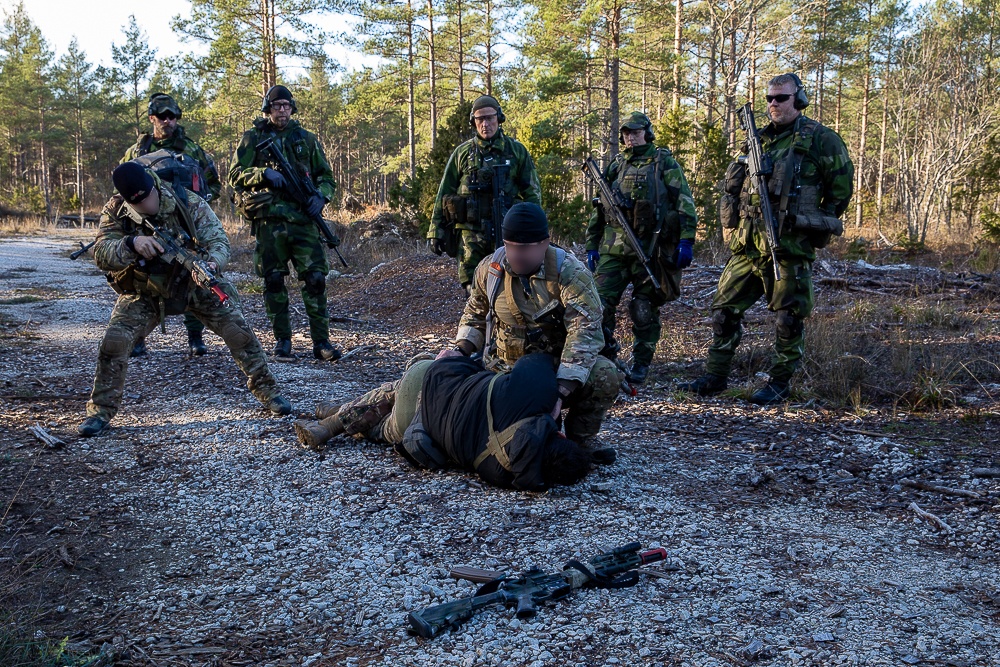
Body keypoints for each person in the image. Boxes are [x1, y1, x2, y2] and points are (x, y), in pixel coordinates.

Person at [77, 162, 291, 437]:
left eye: (149, 196)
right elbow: (102, 254)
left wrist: (212, 264)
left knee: (238, 332)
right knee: (114, 342)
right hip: (146, 291)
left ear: (154, 186)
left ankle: (269, 392)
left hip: (194, 283)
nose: (147, 204)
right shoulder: (116, 210)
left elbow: (219, 243)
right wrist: (131, 244)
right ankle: (100, 412)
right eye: (138, 202)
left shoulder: (186, 201)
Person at [679, 73, 854, 404]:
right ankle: (715, 376)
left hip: (788, 244)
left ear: (798, 100)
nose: (774, 104)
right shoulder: (757, 140)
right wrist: (732, 228)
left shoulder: (821, 139)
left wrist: (812, 224)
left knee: (788, 317)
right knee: (723, 312)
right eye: (770, 99)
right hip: (748, 245)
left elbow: (840, 190)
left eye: (781, 98)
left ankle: (779, 382)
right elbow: (732, 189)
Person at [452, 202, 622, 462]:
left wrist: (560, 392)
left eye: (524, 249)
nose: (515, 255)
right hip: (502, 372)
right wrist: (458, 351)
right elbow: (474, 315)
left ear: (544, 243)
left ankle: (581, 438)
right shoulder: (490, 270)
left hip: (553, 372)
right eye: (510, 246)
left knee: (605, 374)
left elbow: (584, 335)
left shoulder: (570, 275)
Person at [294, 352, 593, 491]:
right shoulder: (501, 475)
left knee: (402, 385)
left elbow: (536, 360)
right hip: (418, 430)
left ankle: (333, 419)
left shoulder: (535, 394)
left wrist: (555, 400)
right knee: (382, 428)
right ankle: (337, 416)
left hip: (427, 382)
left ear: (562, 437)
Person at [229, 85, 341, 361]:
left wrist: (321, 198)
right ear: (268, 108)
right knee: (274, 280)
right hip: (270, 222)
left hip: (303, 222)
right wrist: (262, 174)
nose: (282, 110)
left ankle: (321, 342)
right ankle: (282, 341)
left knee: (315, 279)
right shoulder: (253, 138)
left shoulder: (306, 139)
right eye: (277, 105)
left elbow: (326, 177)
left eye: (286, 105)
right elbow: (234, 175)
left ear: (292, 108)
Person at [585, 111, 698, 385]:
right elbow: (600, 208)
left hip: (650, 249)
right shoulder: (616, 165)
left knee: (643, 307)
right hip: (614, 250)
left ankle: (642, 363)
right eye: (626, 133)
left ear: (647, 132)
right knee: (599, 304)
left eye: (635, 132)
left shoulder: (663, 162)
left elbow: (683, 200)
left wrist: (686, 239)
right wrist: (592, 244)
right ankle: (604, 357)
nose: (630, 138)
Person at [123, 93, 222, 358]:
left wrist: (199, 205)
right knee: (142, 278)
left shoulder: (191, 149)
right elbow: (123, 187)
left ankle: (195, 338)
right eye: (163, 116)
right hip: (147, 224)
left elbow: (213, 183)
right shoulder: (137, 152)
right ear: (152, 118)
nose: (168, 121)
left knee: (193, 274)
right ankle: (137, 337)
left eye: (173, 116)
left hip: (186, 223)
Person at [428, 95, 542, 293]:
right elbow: (444, 192)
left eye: (490, 118)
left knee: (511, 287)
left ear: (499, 118)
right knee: (473, 291)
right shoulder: (462, 153)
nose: (485, 124)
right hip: (471, 236)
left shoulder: (516, 151)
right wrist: (435, 232)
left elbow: (532, 193)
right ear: (474, 122)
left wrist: (536, 229)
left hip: (508, 234)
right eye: (480, 120)